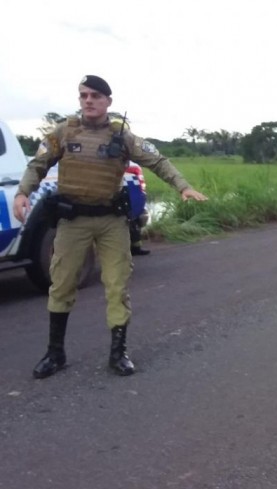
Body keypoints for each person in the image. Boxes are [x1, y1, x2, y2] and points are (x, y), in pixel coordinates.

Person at [12, 75, 208, 379]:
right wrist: (23, 192)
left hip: (111, 222)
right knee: (61, 284)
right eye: (84, 95)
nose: (88, 100)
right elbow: (38, 164)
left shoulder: (123, 137)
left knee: (117, 286)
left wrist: (183, 187)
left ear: (108, 102)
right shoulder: (64, 132)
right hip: (73, 221)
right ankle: (55, 352)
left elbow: (158, 161)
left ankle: (118, 353)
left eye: (95, 96)